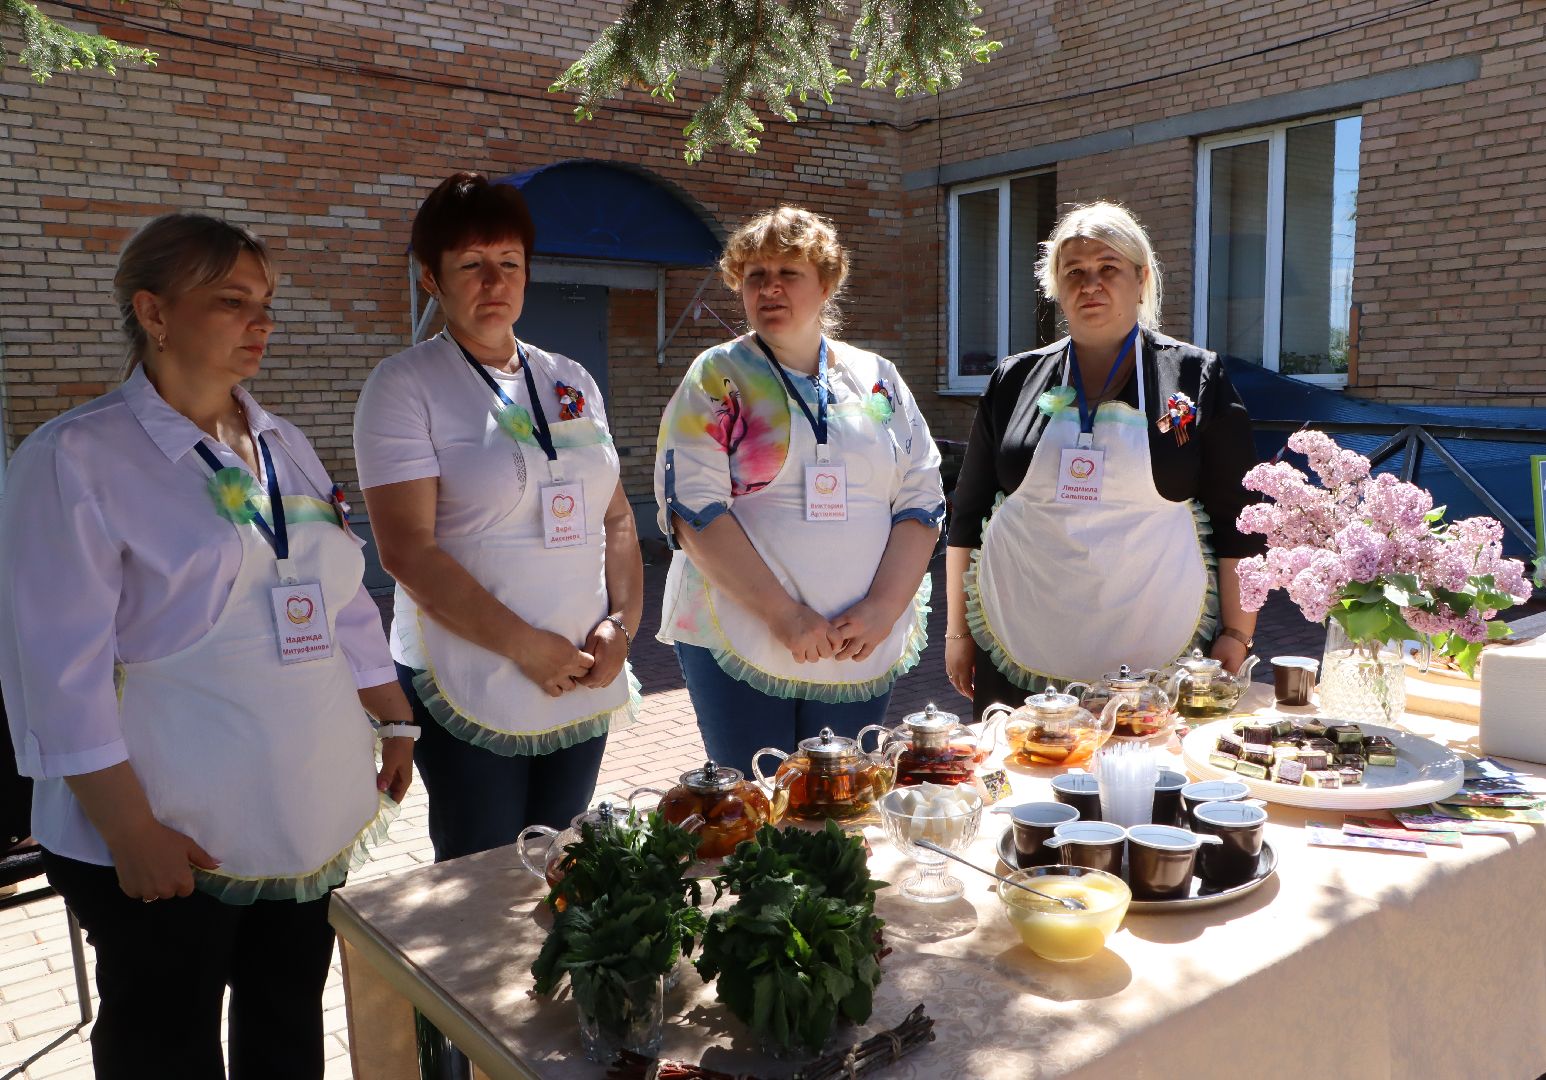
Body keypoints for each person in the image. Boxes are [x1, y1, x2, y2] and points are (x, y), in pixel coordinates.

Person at [0, 213, 415, 1078]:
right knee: (166, 1040)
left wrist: (392, 714)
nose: (260, 322)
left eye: (265, 302)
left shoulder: (281, 444)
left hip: (297, 811)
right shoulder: (74, 459)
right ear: (153, 312)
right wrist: (129, 828)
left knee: (286, 1020)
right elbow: (54, 667)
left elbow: (331, 594)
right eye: (232, 301)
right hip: (169, 828)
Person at [355, 172, 641, 863]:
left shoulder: (570, 378)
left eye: (509, 263)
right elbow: (406, 552)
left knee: (567, 861)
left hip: (581, 672)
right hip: (473, 677)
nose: (494, 281)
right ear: (432, 278)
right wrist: (521, 644)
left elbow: (619, 518)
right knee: (482, 875)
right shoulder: (405, 387)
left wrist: (622, 624)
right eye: (471, 265)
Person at [944, 201, 1264, 718]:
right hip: (1020, 631)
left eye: (1108, 269)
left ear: (1141, 280)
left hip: (1152, 636)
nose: (1090, 284)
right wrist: (958, 632)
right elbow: (969, 513)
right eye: (1075, 272)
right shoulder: (1014, 379)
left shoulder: (1194, 377)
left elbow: (1238, 520)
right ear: (1055, 287)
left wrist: (1236, 632)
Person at [654, 205, 944, 768]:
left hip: (857, 639)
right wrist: (783, 614)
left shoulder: (878, 378)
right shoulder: (719, 375)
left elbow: (922, 495)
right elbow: (693, 507)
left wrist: (885, 606)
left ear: (827, 283)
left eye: (789, 273)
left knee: (839, 808)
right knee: (756, 811)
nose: (770, 289)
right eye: (755, 276)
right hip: (743, 632)